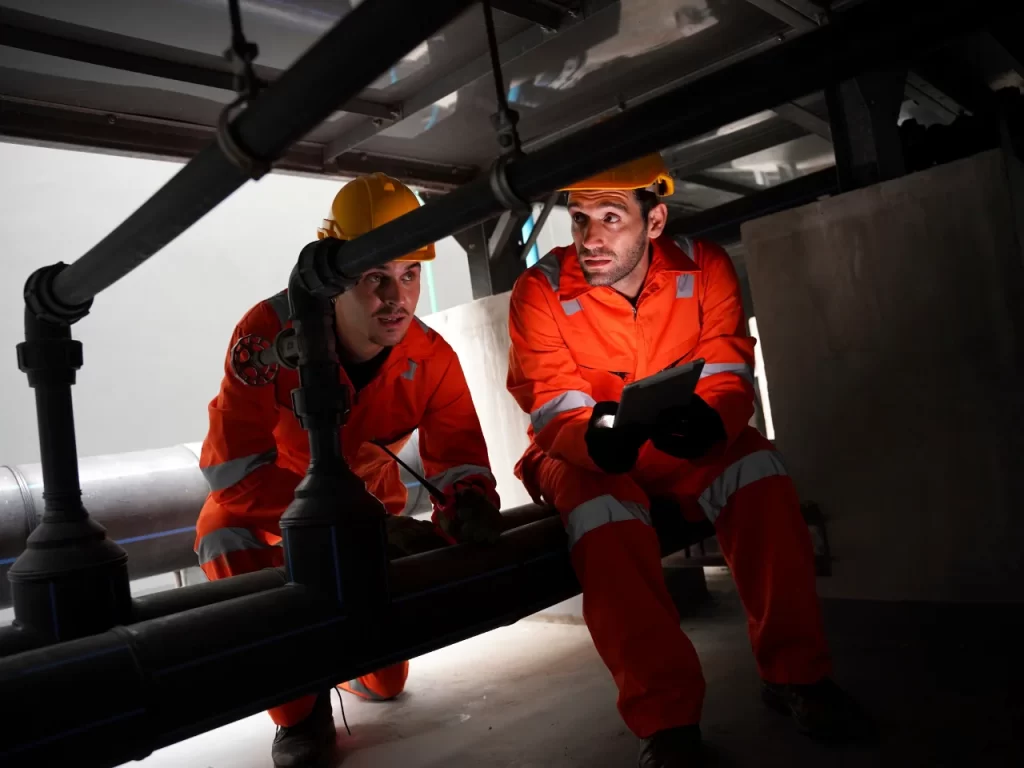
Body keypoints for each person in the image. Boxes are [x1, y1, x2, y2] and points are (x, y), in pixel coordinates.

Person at [505, 154, 864, 766]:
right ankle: (668, 722)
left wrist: (714, 420)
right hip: (578, 453)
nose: (589, 238)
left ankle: (797, 676)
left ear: (655, 221)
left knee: (758, 471)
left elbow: (727, 368)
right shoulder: (538, 290)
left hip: (679, 448)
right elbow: (551, 402)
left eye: (610, 218)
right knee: (603, 516)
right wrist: (593, 438)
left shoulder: (705, 266)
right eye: (579, 218)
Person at [194, 172, 503, 768]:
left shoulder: (431, 359)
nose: (397, 298)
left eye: (410, 275)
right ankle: (298, 711)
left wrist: (469, 503)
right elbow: (233, 470)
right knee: (221, 533)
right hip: (268, 512)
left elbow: (460, 458)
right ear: (335, 274)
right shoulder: (265, 338)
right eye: (375, 277)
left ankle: (343, 664)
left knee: (387, 684)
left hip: (370, 515)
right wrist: (353, 529)